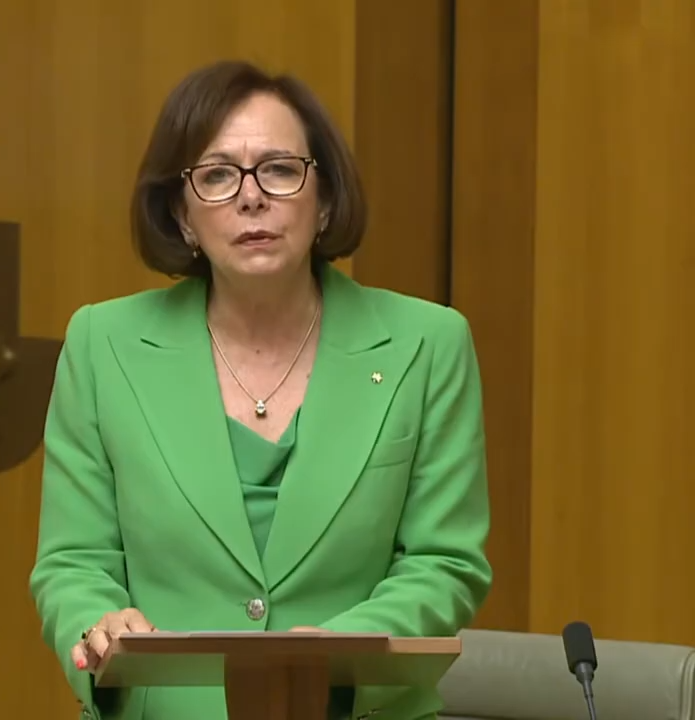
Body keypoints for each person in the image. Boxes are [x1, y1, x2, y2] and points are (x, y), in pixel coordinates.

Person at [29, 59, 493, 720]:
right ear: (182, 216)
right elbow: (73, 562)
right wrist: (99, 624)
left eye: (278, 169)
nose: (251, 197)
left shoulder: (428, 344)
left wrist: (331, 657)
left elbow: (444, 562)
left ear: (324, 200)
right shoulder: (103, 344)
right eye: (218, 175)